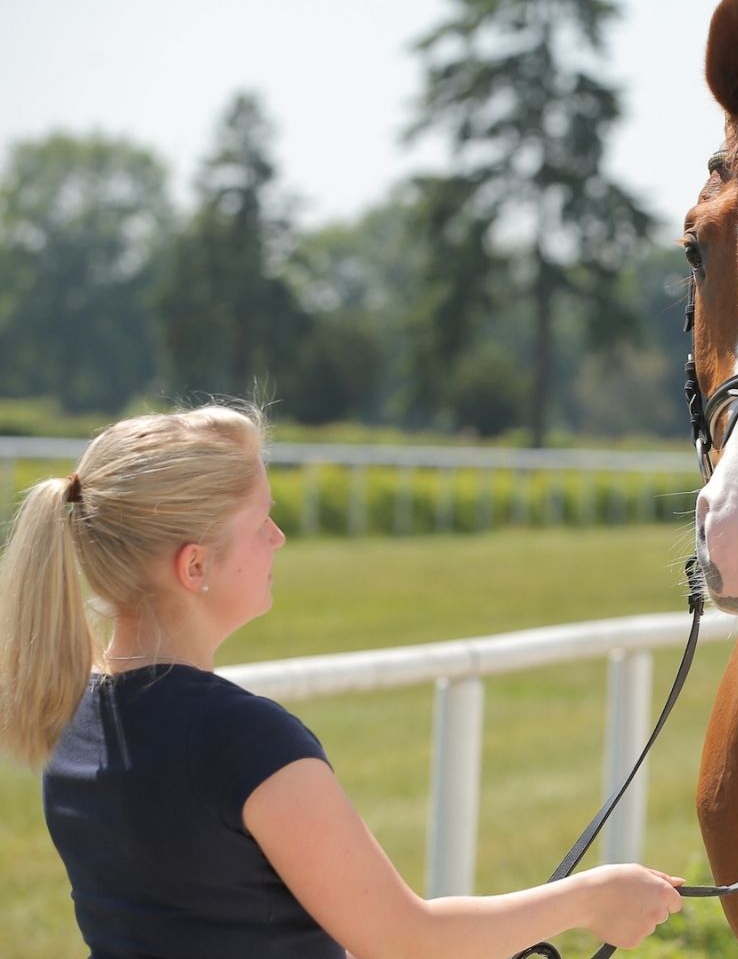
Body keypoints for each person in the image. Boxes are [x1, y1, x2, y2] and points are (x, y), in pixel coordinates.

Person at [0, 404, 684, 958]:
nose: (278, 538)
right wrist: (590, 900)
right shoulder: (243, 739)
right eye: (258, 522)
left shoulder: (73, 717)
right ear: (195, 567)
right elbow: (403, 941)